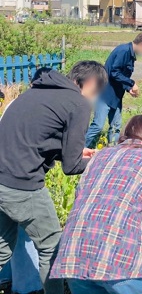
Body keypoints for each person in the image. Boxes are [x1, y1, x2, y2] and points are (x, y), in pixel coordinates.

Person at [0, 61, 108, 294]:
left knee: (2, 248)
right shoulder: (78, 103)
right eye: (97, 91)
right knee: (52, 247)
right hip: (22, 184)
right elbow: (72, 167)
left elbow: (37, 140)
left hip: (3, 178)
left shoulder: (38, 91)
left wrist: (76, 153)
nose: (95, 98)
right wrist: (100, 160)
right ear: (90, 83)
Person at [51, 115, 142, 294]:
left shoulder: (100, 155)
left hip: (73, 255)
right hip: (120, 261)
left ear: (125, 134)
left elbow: (80, 196)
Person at [0, 69, 52, 294]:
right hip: (15, 183)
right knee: (26, 235)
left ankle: (11, 279)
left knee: (9, 233)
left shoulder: (15, 108)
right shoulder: (28, 109)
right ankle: (27, 286)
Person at [85, 33, 142, 148]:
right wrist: (132, 83)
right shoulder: (123, 51)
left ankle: (113, 151)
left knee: (115, 127)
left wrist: (129, 88)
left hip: (116, 96)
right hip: (105, 94)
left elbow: (121, 76)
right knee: (98, 126)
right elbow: (114, 72)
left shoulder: (130, 54)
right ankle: (80, 149)